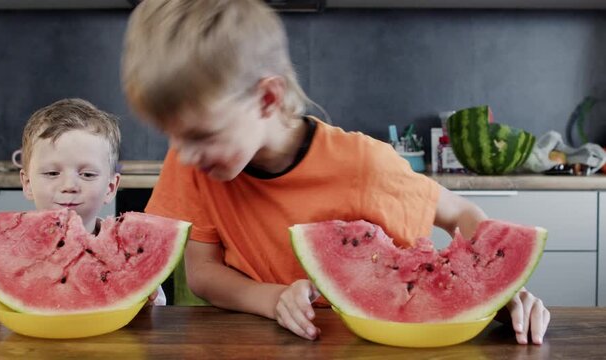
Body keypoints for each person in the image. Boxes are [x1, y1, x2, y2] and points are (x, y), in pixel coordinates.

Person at [121, 0, 549, 344]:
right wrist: (272, 300)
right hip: (259, 342)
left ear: (268, 99)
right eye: (172, 136)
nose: (185, 154)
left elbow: (459, 212)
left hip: (380, 342)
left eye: (201, 134)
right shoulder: (193, 161)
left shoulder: (364, 163)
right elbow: (203, 273)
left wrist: (494, 288)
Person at [0, 98, 166, 308]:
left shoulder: (128, 258)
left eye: (87, 174)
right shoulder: (6, 259)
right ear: (27, 183)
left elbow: (158, 308)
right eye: (52, 173)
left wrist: (147, 302)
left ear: (110, 188)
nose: (69, 185)